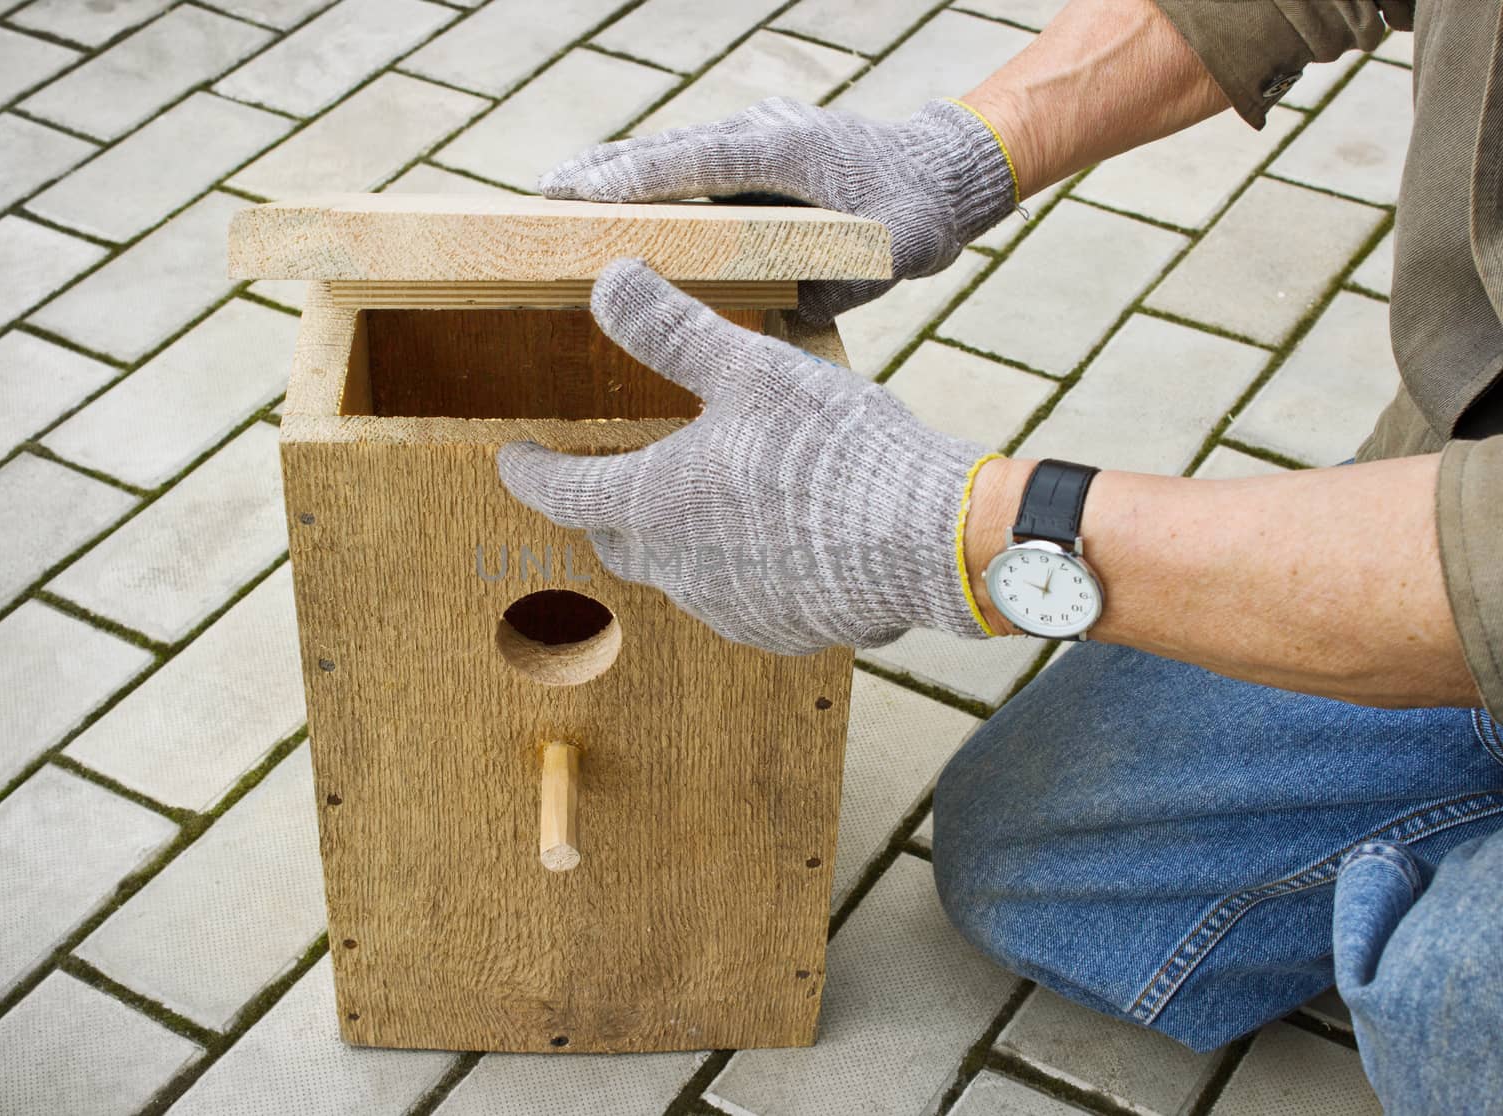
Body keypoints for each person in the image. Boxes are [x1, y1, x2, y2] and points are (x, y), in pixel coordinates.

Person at [496, 1, 1503, 1110]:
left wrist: (958, 526)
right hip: (1458, 493)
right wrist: (961, 152)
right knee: (1037, 861)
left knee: (1453, 1009)